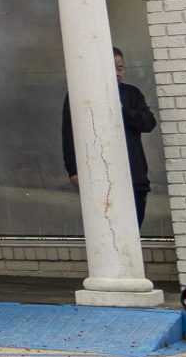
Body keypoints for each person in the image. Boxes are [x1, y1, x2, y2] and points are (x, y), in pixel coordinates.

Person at [62, 46, 161, 228]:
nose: (117, 73)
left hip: (134, 177)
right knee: (107, 229)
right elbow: (69, 133)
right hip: (100, 176)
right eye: (111, 68)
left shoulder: (131, 94)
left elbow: (148, 123)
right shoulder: (79, 94)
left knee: (133, 228)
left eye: (120, 68)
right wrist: (73, 170)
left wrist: (122, 109)